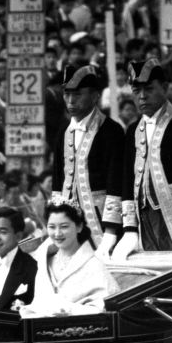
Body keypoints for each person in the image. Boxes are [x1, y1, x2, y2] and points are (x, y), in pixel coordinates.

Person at [115, 59, 172, 260]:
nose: (142, 96)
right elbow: (127, 181)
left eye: (149, 89)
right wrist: (130, 228)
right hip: (145, 221)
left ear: (165, 88)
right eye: (136, 90)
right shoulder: (132, 130)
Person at [50, 64, 125, 252]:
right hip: (70, 224)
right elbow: (58, 180)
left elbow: (116, 181)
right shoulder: (63, 132)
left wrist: (111, 231)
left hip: (102, 223)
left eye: (77, 94)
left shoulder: (111, 131)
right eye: (67, 94)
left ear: (95, 96)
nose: (70, 101)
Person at [20, 198, 118, 318]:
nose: (57, 233)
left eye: (64, 226)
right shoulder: (44, 262)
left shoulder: (93, 265)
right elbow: (38, 304)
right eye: (52, 227)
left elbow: (105, 308)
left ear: (79, 227)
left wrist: (68, 309)